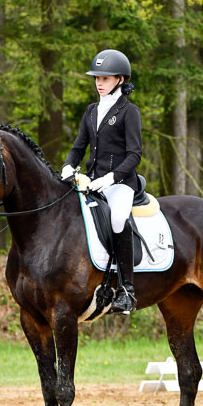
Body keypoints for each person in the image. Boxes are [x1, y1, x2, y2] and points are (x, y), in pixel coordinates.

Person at [61, 49, 142, 314]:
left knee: (118, 219)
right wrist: (68, 165)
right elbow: (78, 147)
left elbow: (134, 155)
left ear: (120, 79)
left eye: (105, 78)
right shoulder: (91, 111)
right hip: (92, 182)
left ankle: (127, 291)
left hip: (120, 183)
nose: (99, 82)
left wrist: (111, 177)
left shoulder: (130, 112)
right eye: (97, 77)